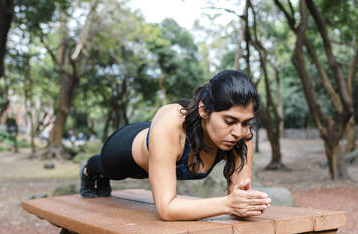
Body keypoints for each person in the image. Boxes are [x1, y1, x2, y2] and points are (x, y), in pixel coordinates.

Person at [80, 70, 271, 221]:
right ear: (204, 110)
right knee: (107, 169)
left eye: (246, 123)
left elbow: (238, 200)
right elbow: (166, 209)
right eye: (229, 121)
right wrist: (228, 204)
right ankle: (89, 170)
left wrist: (245, 203)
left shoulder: (241, 135)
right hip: (124, 151)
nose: (239, 132)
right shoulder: (171, 123)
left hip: (162, 149)